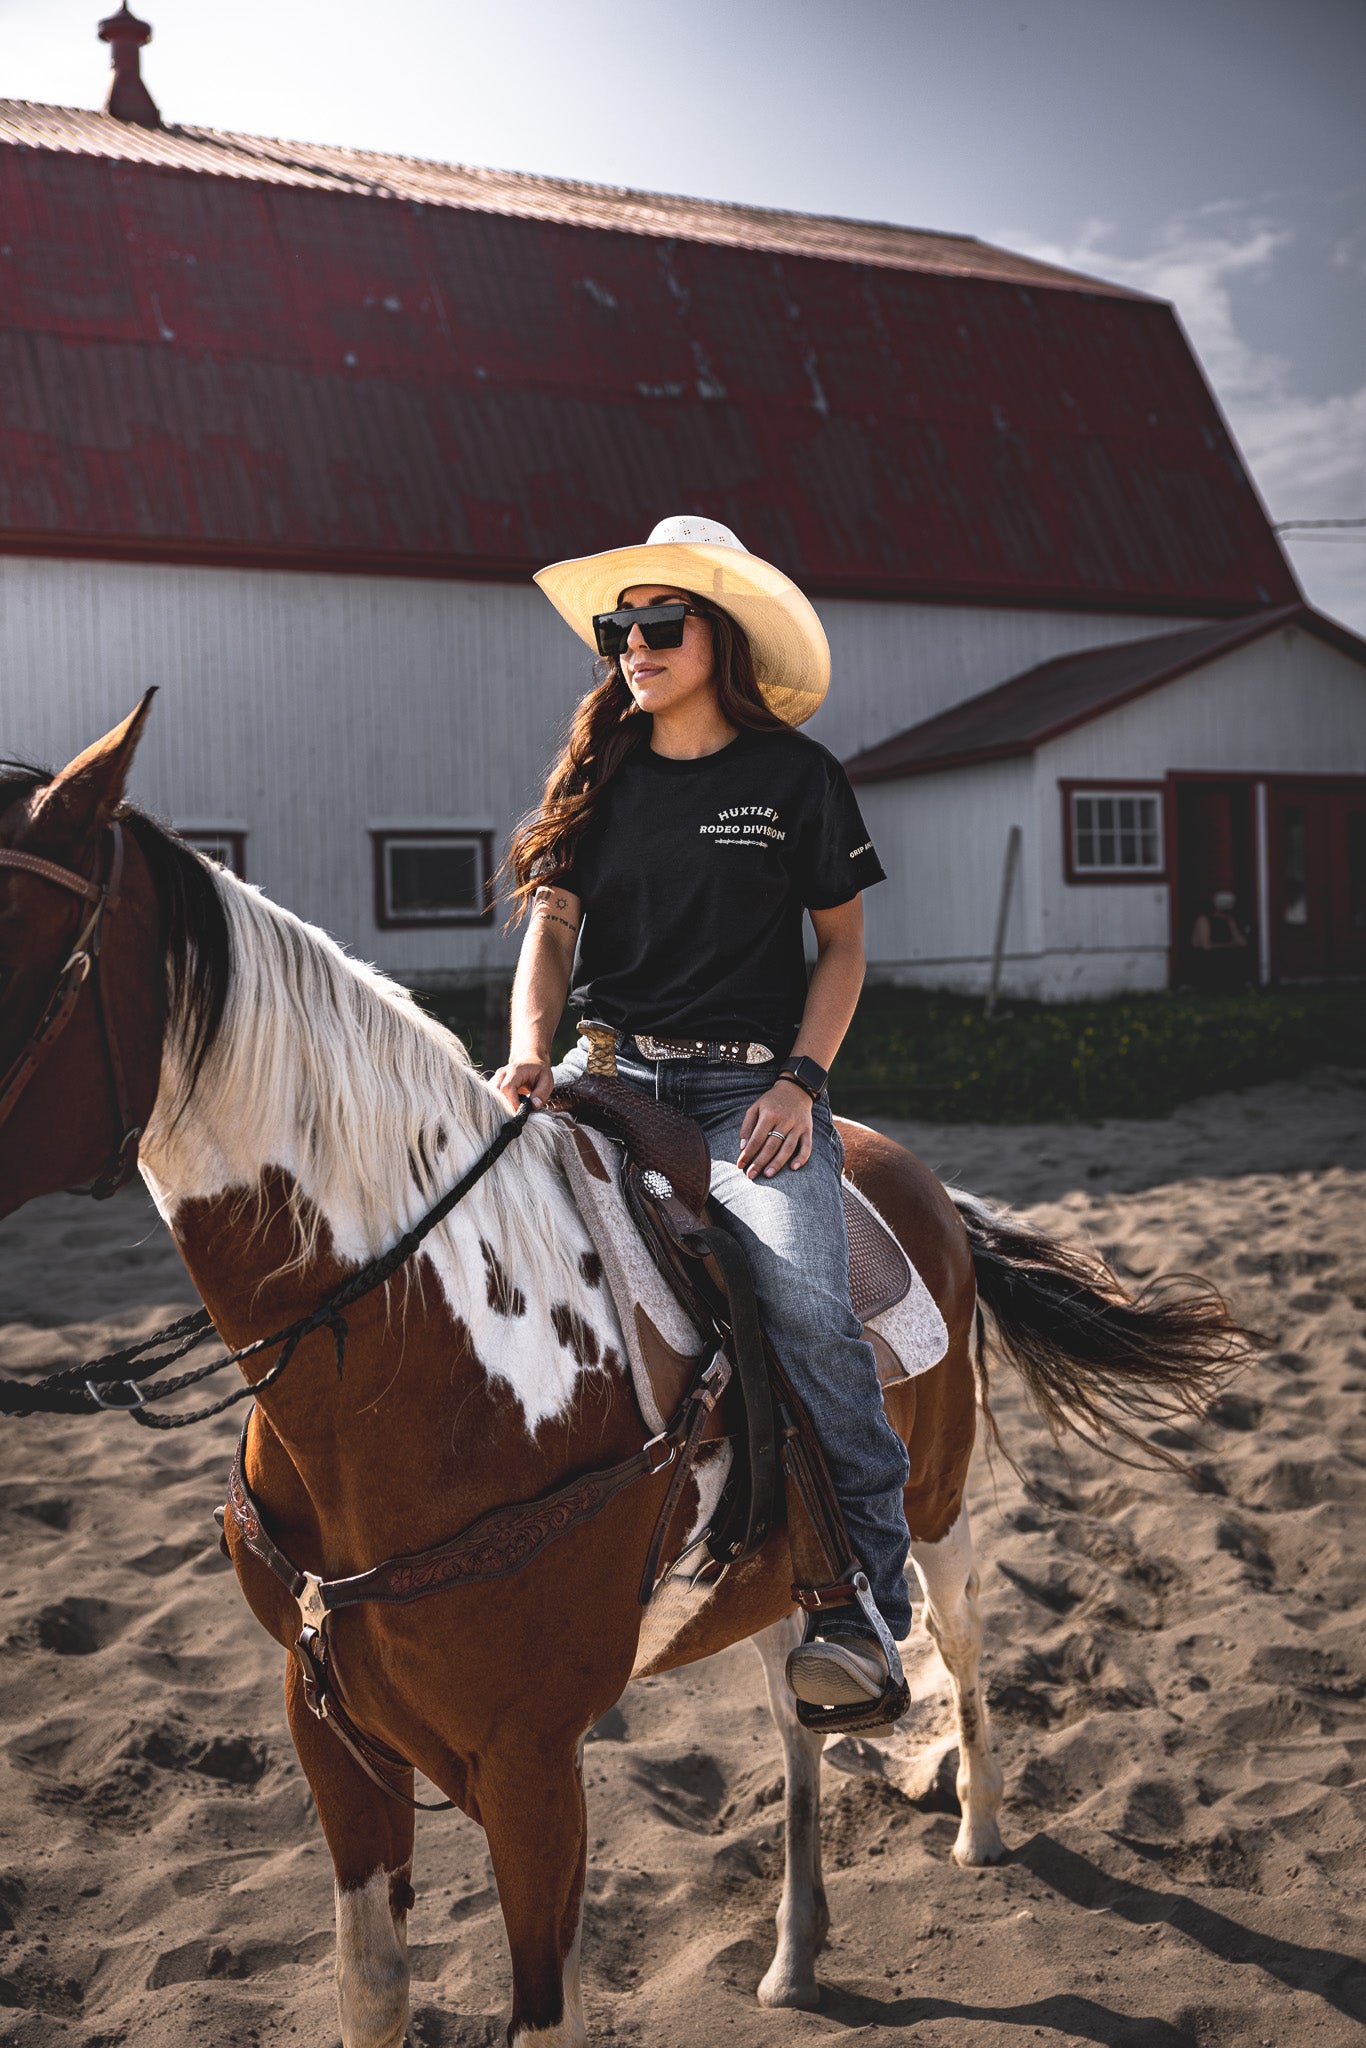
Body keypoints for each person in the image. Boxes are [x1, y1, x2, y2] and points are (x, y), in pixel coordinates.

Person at [493, 515, 912, 1713]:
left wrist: (799, 1082)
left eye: (659, 624)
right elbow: (552, 932)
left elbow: (842, 949)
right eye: (617, 628)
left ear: (718, 635)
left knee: (806, 1306)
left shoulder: (796, 778)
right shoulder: (597, 777)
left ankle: (864, 1604)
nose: (633, 644)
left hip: (747, 1097)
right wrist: (527, 1052)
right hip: (605, 1077)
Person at [1190, 889, 1251, 993]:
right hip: (1208, 959)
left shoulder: (1231, 920)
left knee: (1238, 955)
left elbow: (1242, 943)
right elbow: (1206, 947)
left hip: (1223, 956)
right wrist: (1230, 945)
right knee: (1219, 956)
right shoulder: (1204, 919)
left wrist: (1231, 923)